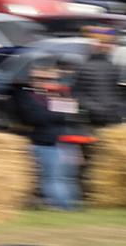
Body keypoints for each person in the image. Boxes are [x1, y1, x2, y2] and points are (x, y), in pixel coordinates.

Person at [15, 62, 87, 210]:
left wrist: (52, 111)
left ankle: (67, 208)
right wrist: (56, 112)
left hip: (62, 143)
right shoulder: (28, 96)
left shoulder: (62, 94)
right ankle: (66, 208)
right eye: (38, 78)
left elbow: (72, 115)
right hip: (50, 142)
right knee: (55, 179)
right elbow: (33, 117)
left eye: (49, 79)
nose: (43, 82)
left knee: (63, 179)